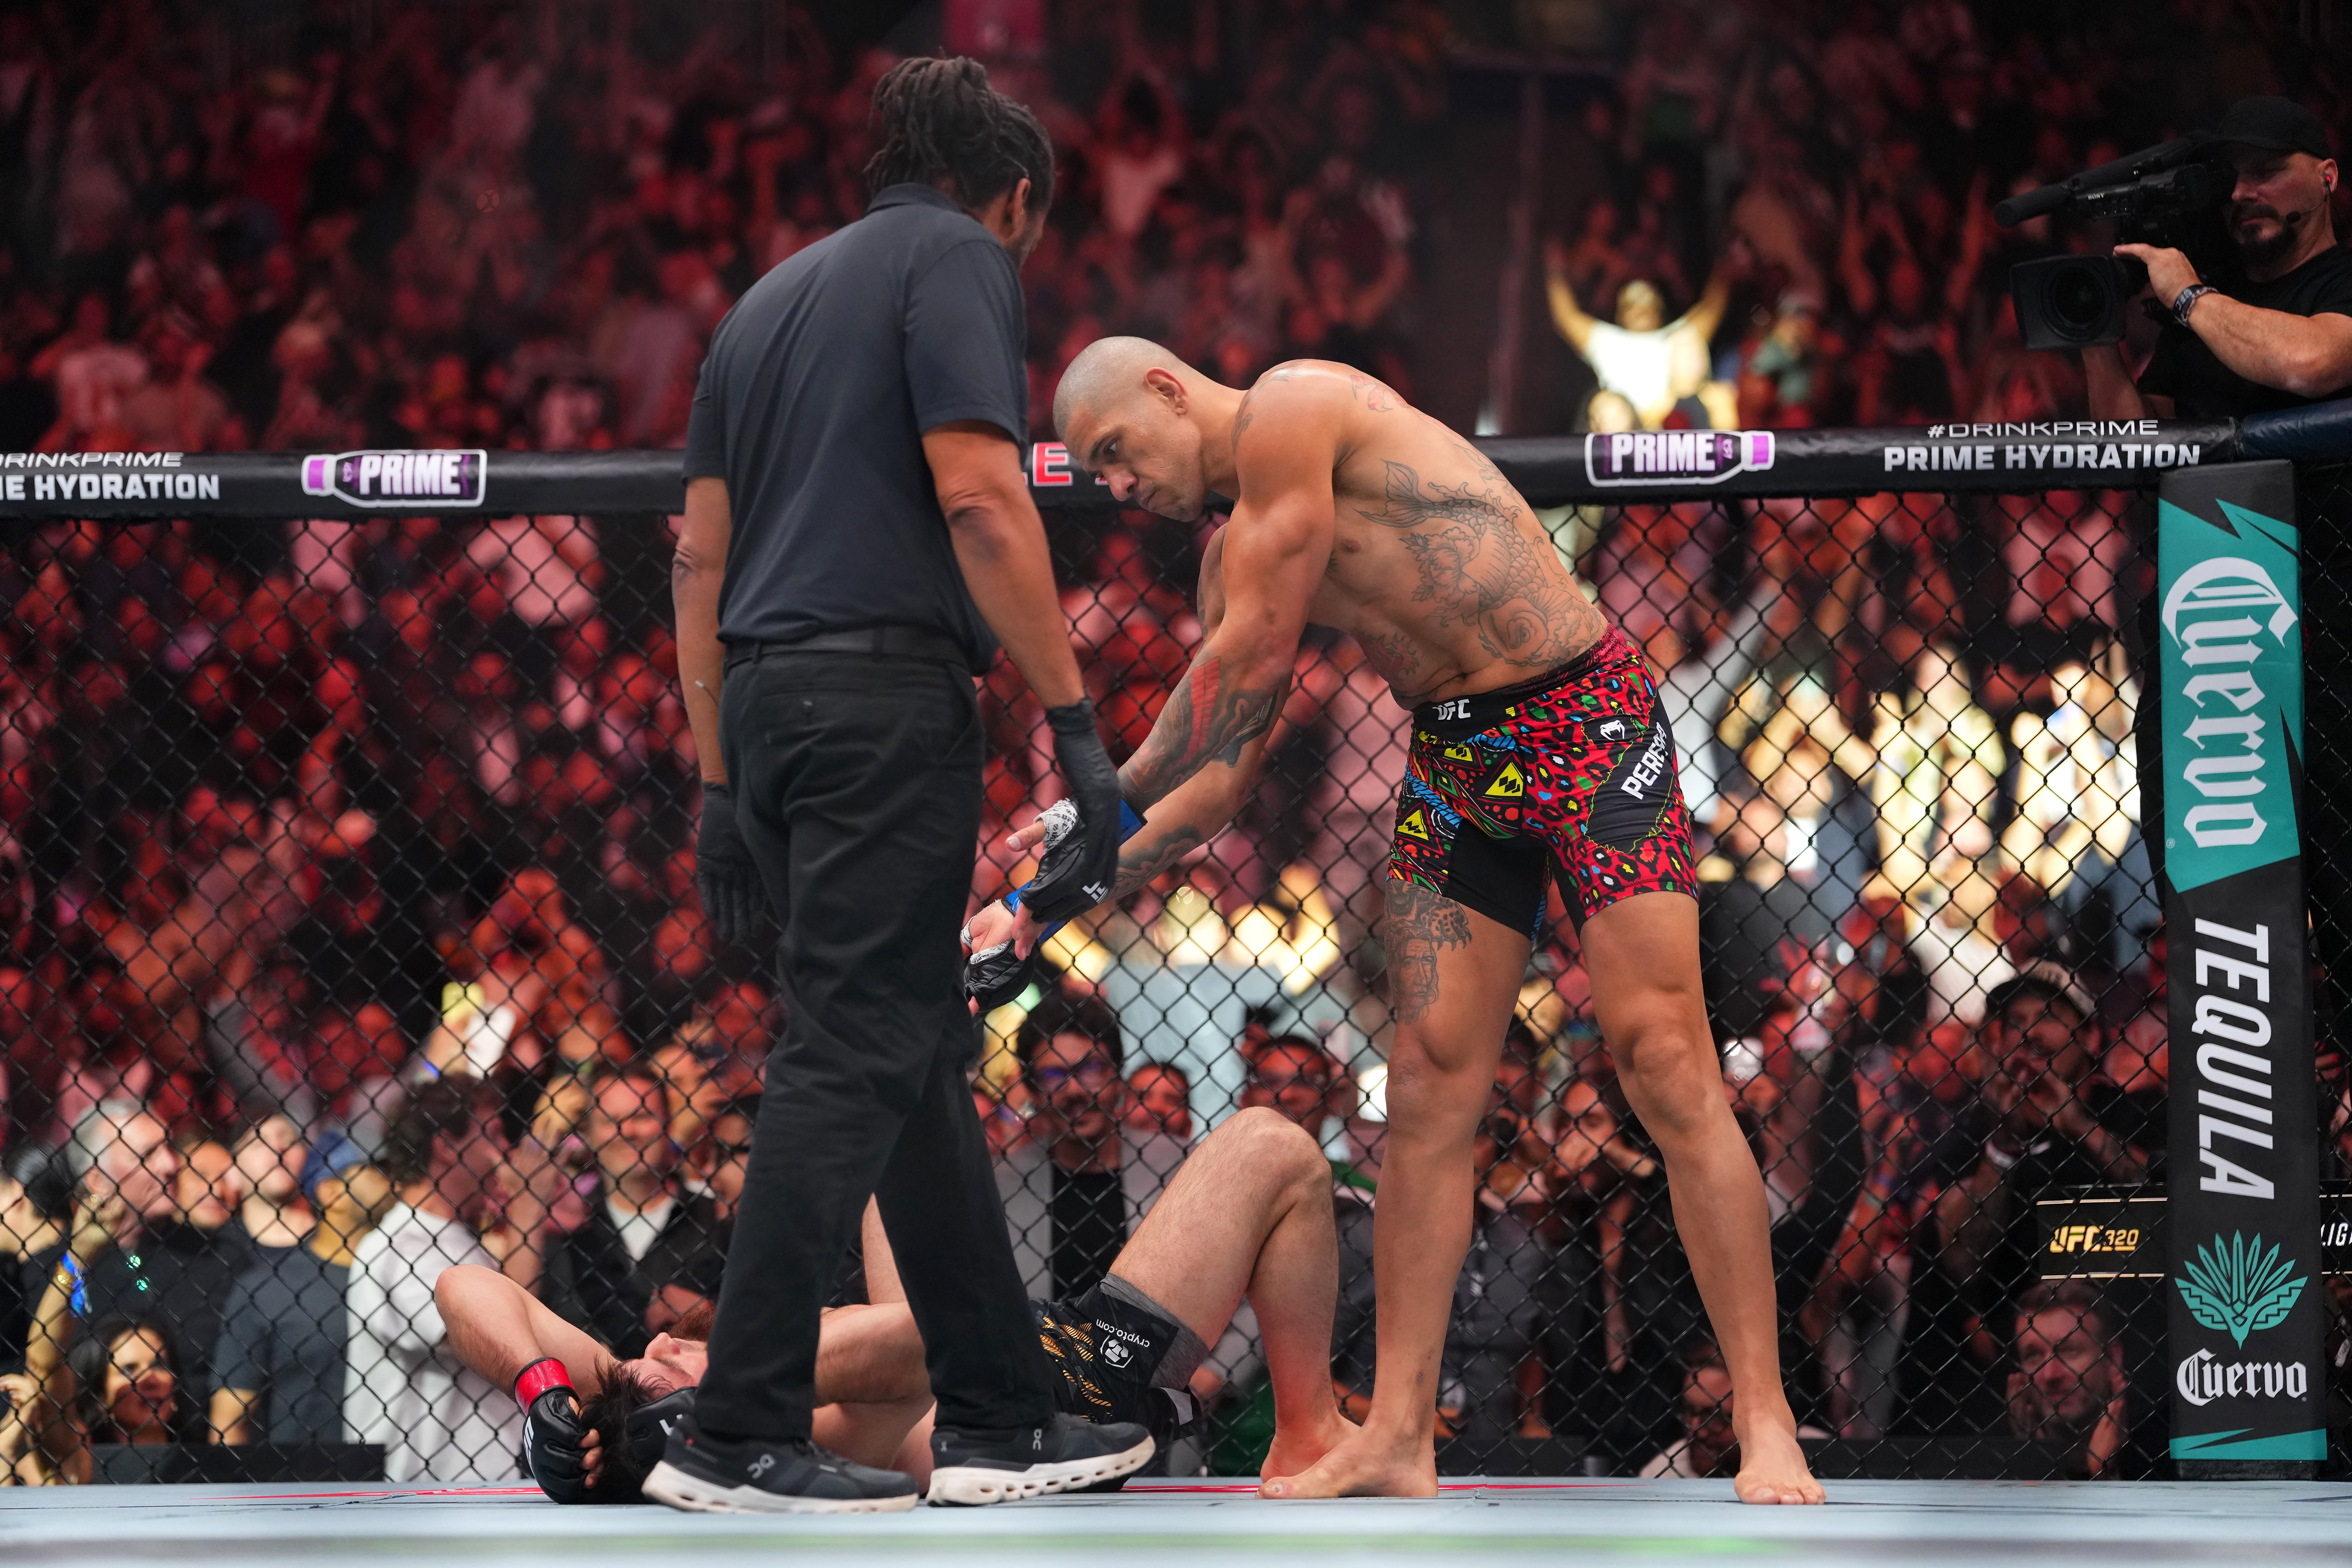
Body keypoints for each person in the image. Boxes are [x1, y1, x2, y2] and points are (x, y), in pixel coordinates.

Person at [972, 338, 1822, 1502]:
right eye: (1100, 472)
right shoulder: (1232, 563)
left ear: (1170, 390)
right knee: (1424, 1082)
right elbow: (1218, 779)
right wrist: (1056, 880)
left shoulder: (1296, 405)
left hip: (1588, 715)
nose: (1119, 487)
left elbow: (1248, 672)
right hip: (1459, 755)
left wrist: (1087, 808)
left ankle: (1768, 1419)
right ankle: (1402, 1430)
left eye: (1119, 452)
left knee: (1665, 1057)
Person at [660, 55, 1143, 1513]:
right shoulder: (959, 254)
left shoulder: (761, 306)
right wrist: (1071, 715)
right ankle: (736, 1423)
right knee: (854, 1037)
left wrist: (714, 774)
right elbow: (985, 495)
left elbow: (696, 556)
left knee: (916, 1044)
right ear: (1010, 198)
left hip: (769, 700)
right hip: (881, 700)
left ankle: (997, 1412)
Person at [435, 1107, 1352, 1502]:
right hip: (1067, 1386)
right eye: (655, 1368)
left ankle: (1309, 1426)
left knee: (891, 1102)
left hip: (1023, 1342)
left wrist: (543, 1388)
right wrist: (717, 1400)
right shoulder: (794, 1428)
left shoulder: (653, 1391)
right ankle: (1310, 1426)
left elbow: (462, 1284)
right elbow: (924, 1336)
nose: (653, 1347)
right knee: (1272, 1148)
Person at [2087, 97, 2352, 420]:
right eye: (2229, 180)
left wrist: (2190, 297)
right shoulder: (2208, 298)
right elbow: (2133, 445)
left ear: (2328, 177)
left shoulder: (2197, 301)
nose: (2240, 193)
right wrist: (2093, 334)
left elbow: (2313, 364)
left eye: (2265, 172)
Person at [342, 1079, 526, 1482]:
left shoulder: (462, 1242)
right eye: (492, 1134)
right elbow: (502, 1337)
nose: (506, 1151)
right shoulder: (396, 1248)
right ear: (446, 1146)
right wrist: (529, 1206)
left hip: (481, 1484)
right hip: (421, 1493)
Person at [995, 997, 1189, 1301]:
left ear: (1118, 1077)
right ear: (1032, 1089)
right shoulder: (1001, 1186)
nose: (1075, 1090)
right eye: (1053, 1075)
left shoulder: (1184, 1168)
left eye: (1091, 1069)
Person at [540, 1061, 729, 1359]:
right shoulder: (563, 1229)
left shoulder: (717, 1220)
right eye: (610, 1120)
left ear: (668, 1125)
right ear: (589, 1135)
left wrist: (709, 1314)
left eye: (641, 1116)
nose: (627, 1130)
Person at [207, 1164, 392, 1449]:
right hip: (307, 1478)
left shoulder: (413, 1279)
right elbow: (230, 1418)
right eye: (375, 1170)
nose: (392, 1179)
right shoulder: (270, 1287)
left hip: (408, 1476)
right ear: (332, 1192)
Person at [2003, 1280, 2131, 1479]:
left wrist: (2105, 1475)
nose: (2050, 1375)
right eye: (2034, 1355)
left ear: (2112, 1358)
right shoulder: (1992, 1460)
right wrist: (2032, 1457)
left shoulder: (2162, 1452)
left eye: (2069, 1351)